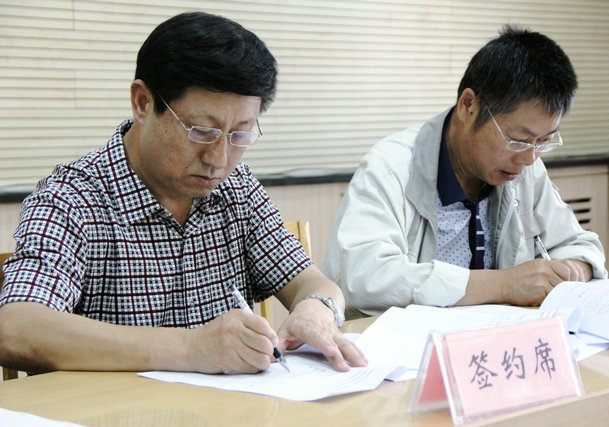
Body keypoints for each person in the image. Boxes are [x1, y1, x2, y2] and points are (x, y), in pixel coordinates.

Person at [0, 12, 366, 374]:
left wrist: (317, 310)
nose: (219, 160)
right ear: (143, 103)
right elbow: (16, 328)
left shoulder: (237, 189)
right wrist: (192, 348)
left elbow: (312, 283)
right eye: (202, 131)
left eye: (239, 134)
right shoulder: (71, 199)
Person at [323, 25, 607, 318]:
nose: (529, 158)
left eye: (543, 141)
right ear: (468, 106)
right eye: (517, 139)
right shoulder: (391, 168)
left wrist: (570, 270)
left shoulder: (525, 167)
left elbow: (579, 243)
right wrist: (503, 284)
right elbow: (366, 278)